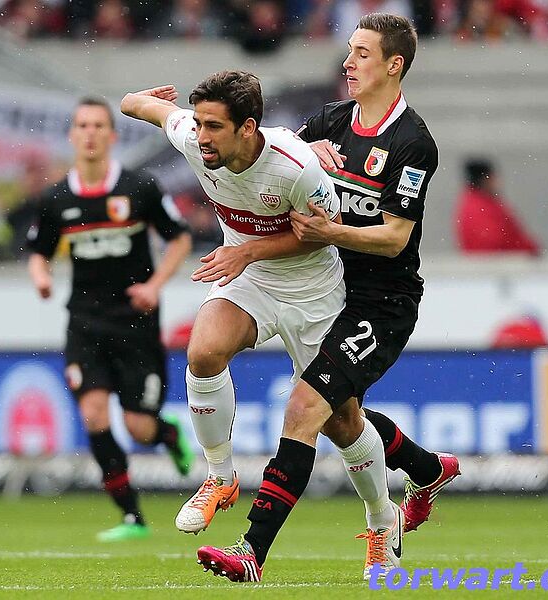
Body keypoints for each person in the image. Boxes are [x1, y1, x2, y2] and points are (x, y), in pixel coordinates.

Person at [193, 13, 458, 582]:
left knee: (305, 408)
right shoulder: (329, 121)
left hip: (380, 303)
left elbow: (395, 237)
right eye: (349, 51)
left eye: (362, 53)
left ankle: (251, 551)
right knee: (341, 418)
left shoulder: (412, 143)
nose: (348, 62)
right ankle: (422, 470)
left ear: (394, 65)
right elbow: (280, 160)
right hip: (325, 286)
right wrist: (303, 148)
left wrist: (331, 231)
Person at [122, 70, 405, 582]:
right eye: (199, 124)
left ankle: (382, 519)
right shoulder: (192, 138)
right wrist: (138, 98)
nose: (202, 137)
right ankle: (219, 477)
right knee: (203, 352)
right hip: (251, 279)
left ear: (248, 127)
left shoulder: (297, 167)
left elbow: (324, 234)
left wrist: (247, 250)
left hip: (314, 294)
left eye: (214, 127)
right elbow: (139, 107)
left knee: (343, 425)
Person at [26, 96, 195, 543]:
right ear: (72, 135)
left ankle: (166, 434)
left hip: (136, 323)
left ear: (112, 135)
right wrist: (42, 278)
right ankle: (131, 516)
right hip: (84, 322)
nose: (90, 133)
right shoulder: (56, 198)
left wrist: (155, 285)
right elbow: (39, 252)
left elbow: (179, 239)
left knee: (139, 426)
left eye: (99, 125)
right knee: (94, 414)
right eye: (82, 125)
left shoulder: (139, 188)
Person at [455, 158, 540, 255]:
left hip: (498, 260)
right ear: (485, 179)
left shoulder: (478, 203)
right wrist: (528, 250)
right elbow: (493, 242)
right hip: (500, 261)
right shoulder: (480, 206)